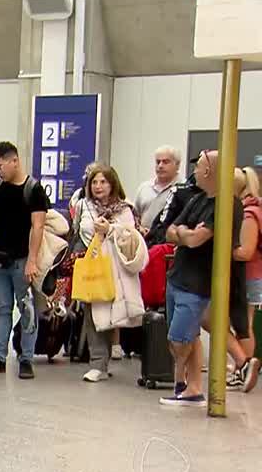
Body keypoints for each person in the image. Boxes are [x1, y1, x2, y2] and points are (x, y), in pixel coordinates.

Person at [162, 150, 244, 407]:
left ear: (208, 171)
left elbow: (198, 239)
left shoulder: (226, 204)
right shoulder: (196, 199)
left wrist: (184, 235)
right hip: (178, 277)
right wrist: (185, 234)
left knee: (180, 338)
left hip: (197, 283)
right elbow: (170, 231)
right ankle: (191, 389)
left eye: (198, 166)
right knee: (188, 336)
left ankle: (182, 384)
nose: (194, 171)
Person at [0, 141, 50, 380]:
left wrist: (32, 261)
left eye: (1, 166)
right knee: (2, 309)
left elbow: (37, 226)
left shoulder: (33, 189)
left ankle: (26, 358)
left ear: (14, 161)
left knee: (26, 309)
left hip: (21, 259)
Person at [70, 165, 146, 382]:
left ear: (112, 183)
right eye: (94, 182)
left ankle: (127, 350)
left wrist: (110, 230)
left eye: (103, 181)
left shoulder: (124, 208)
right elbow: (77, 232)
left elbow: (131, 235)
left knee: (120, 313)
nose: (98, 186)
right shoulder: (84, 206)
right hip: (93, 266)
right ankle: (98, 364)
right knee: (94, 314)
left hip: (117, 268)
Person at [218, 168, 262, 393]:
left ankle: (242, 366)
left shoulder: (249, 213)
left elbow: (245, 251)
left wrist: (221, 247)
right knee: (243, 324)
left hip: (247, 275)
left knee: (242, 325)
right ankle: (242, 366)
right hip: (250, 275)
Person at [134, 145, 183, 233]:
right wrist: (140, 228)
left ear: (177, 165)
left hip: (168, 243)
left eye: (165, 162)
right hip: (144, 241)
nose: (160, 166)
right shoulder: (144, 187)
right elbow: (135, 216)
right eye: (158, 162)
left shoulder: (183, 189)